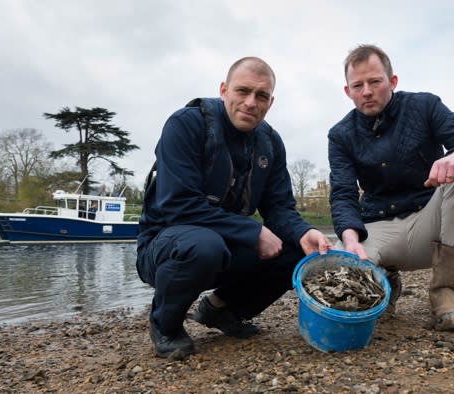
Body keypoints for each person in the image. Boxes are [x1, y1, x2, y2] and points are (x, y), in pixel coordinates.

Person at [136, 56, 332, 358]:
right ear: (224, 89)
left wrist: (304, 232)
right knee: (204, 246)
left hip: (224, 244)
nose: (251, 102)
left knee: (295, 249)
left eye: (261, 95)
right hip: (164, 247)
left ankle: (221, 310)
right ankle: (166, 324)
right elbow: (178, 206)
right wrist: (253, 232)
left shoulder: (271, 142)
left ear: (271, 101)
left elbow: (279, 207)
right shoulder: (186, 124)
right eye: (243, 91)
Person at [328, 44, 454, 332]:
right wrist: (349, 237)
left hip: (429, 223)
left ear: (392, 82)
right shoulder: (340, 134)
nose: (367, 91)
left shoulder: (425, 106)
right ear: (348, 91)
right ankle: (384, 281)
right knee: (339, 260)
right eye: (358, 85)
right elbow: (343, 193)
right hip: (377, 227)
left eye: (375, 81)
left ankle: (447, 298)